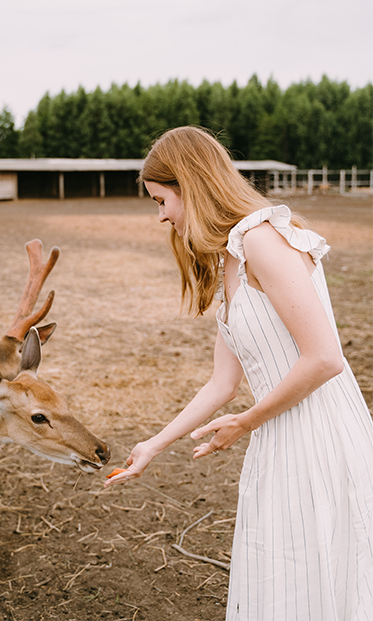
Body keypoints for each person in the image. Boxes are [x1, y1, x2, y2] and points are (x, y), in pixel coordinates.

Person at [104, 126, 373, 621]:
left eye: (162, 199)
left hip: (319, 435)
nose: (159, 214)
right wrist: (153, 446)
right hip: (277, 434)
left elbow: (325, 358)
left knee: (319, 576)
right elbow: (221, 384)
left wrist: (247, 422)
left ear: (190, 186)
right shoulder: (227, 258)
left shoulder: (263, 241)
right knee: (285, 576)